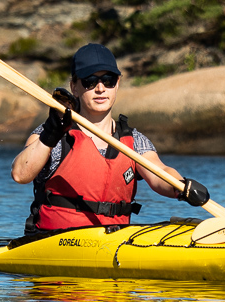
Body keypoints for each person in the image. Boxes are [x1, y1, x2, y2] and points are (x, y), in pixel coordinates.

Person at [11, 43, 210, 233]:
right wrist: (51, 133)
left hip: (113, 240)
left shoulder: (134, 141)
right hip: (55, 240)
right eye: (90, 81)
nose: (100, 88)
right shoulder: (52, 133)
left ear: (117, 84)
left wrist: (181, 187)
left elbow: (160, 173)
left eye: (108, 80)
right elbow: (20, 174)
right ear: (74, 86)